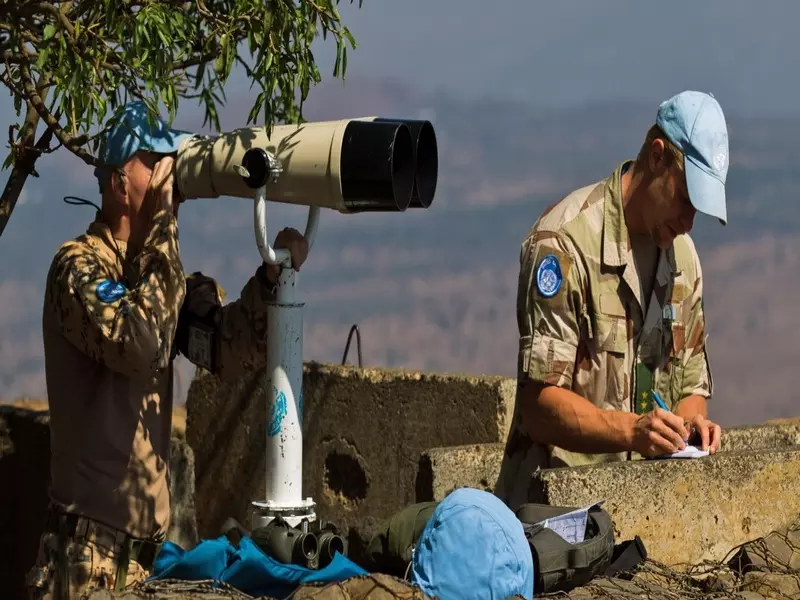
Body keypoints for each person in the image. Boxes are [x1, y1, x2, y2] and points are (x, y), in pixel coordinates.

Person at [26, 101, 309, 598]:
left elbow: (228, 351)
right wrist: (162, 231)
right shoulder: (76, 270)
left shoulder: (159, 282)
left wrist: (270, 279)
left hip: (142, 564)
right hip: (84, 562)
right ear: (118, 182)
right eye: (154, 164)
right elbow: (140, 342)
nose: (168, 181)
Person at [495, 90, 727, 512]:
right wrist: (633, 432)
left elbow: (691, 383)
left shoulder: (684, 260)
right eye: (685, 198)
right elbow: (539, 405)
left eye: (700, 209)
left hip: (640, 515)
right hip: (552, 520)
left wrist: (691, 424)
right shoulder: (564, 244)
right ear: (657, 157)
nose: (690, 220)